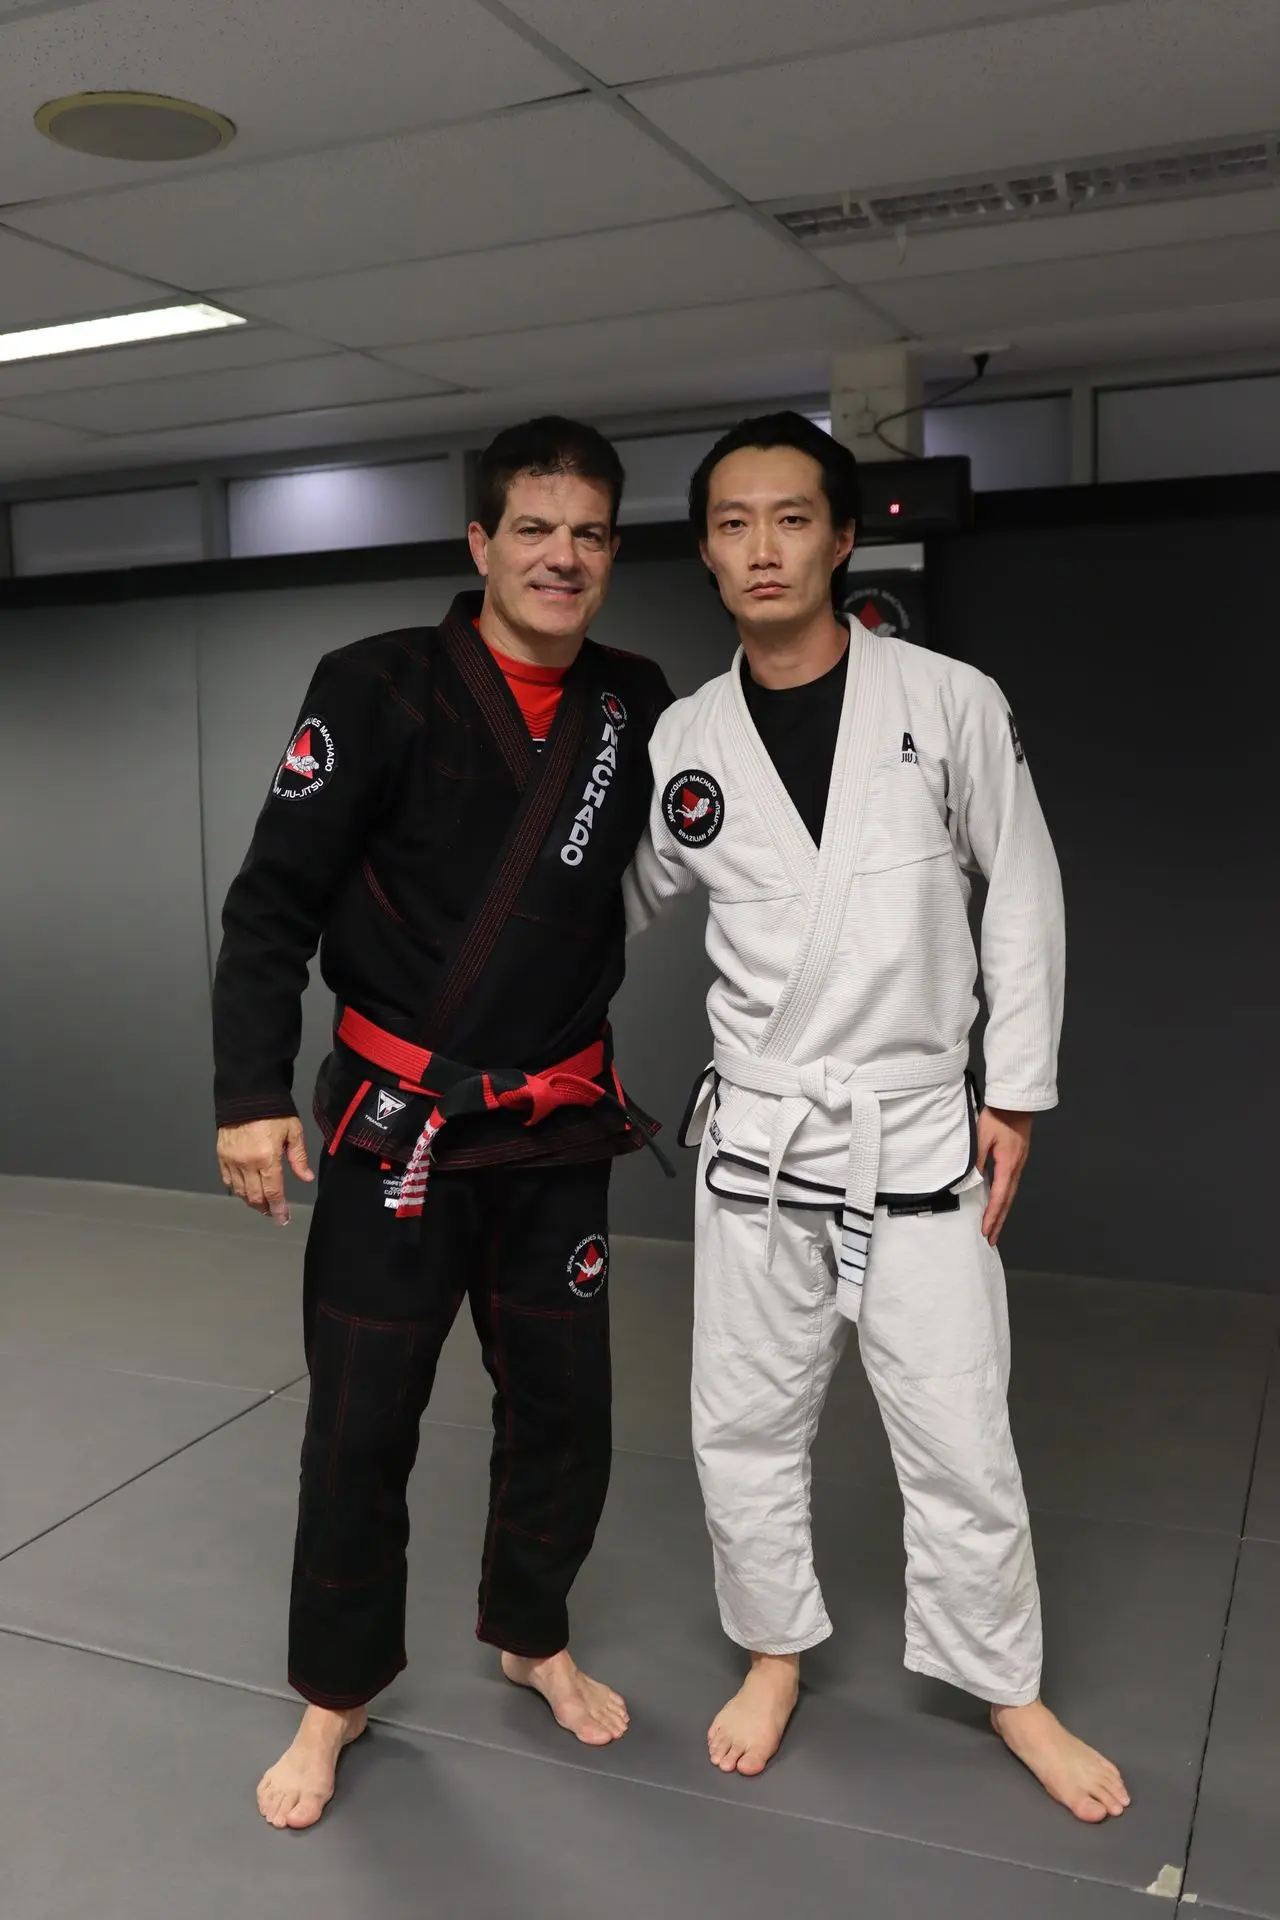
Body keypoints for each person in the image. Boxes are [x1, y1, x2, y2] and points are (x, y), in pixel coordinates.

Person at [624, 412, 1130, 1824]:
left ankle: (1004, 1682)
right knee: (742, 1421)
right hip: (758, 1144)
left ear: (845, 537)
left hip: (917, 1127)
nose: (762, 547)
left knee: (960, 1425)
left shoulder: (948, 696)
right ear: (709, 553)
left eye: (792, 518)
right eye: (732, 523)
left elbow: (1019, 886)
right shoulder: (685, 736)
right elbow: (603, 913)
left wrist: (1014, 1091)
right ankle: (777, 1649)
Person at [213, 416, 673, 1830]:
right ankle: (336, 1694)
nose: (562, 557)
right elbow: (272, 905)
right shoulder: (377, 686)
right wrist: (247, 1095)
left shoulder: (636, 704)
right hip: (392, 1128)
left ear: (611, 553)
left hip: (551, 1131)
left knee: (568, 1411)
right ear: (479, 545)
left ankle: (531, 1631)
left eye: (589, 533)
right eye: (533, 529)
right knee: (361, 1426)